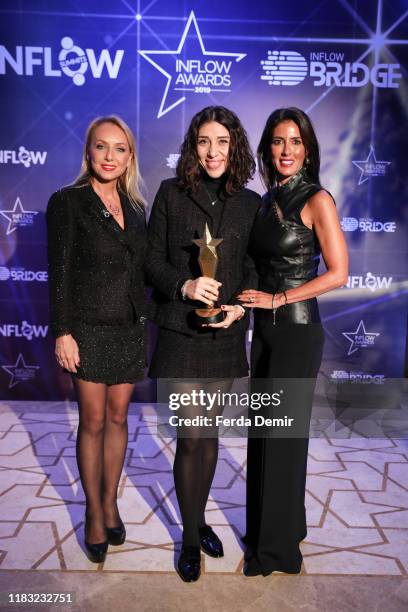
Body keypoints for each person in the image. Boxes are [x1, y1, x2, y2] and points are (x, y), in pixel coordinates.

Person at [146, 106, 260, 581]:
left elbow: (253, 266)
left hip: (224, 334)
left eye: (222, 142)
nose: (212, 152)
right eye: (203, 142)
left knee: (208, 436)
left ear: (234, 147)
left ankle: (196, 518)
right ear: (192, 147)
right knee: (191, 439)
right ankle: (190, 539)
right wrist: (185, 287)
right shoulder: (172, 194)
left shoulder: (250, 203)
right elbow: (151, 261)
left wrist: (240, 307)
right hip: (181, 333)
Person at [238, 107, 348, 575]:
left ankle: (277, 552)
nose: (286, 150)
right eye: (278, 141)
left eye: (295, 141)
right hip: (265, 330)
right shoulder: (266, 200)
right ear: (268, 148)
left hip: (297, 331)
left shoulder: (317, 198)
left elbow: (340, 274)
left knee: (282, 439)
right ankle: (273, 529)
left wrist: (279, 298)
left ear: (307, 149)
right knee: (264, 435)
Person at [46, 116, 147, 563]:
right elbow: (60, 272)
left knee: (120, 419)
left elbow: (144, 270)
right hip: (86, 328)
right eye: (101, 147)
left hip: (129, 327)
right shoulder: (68, 202)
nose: (110, 156)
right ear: (88, 152)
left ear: (129, 156)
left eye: (119, 149)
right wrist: (63, 331)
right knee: (93, 421)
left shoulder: (138, 208)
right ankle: (93, 511)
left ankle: (110, 501)